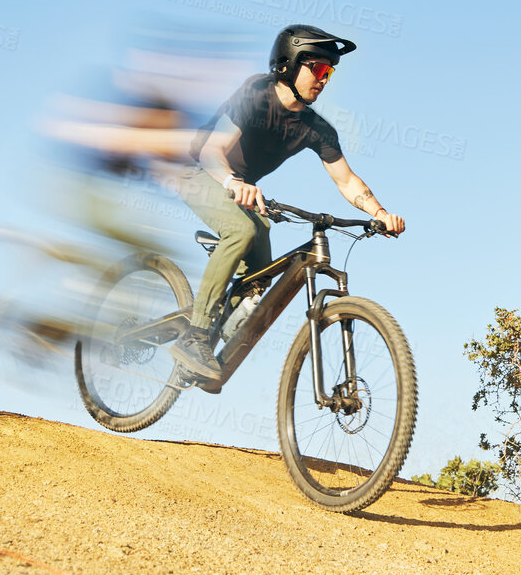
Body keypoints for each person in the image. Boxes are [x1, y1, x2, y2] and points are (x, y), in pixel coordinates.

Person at [171, 24, 405, 381]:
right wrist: (234, 182)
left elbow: (346, 179)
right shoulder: (256, 93)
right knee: (240, 231)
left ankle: (213, 339)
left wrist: (379, 213)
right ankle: (195, 337)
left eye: (331, 72)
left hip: (242, 189)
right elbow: (212, 151)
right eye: (319, 69)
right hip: (200, 172)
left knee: (258, 280)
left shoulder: (316, 129)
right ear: (289, 64)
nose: (325, 79)